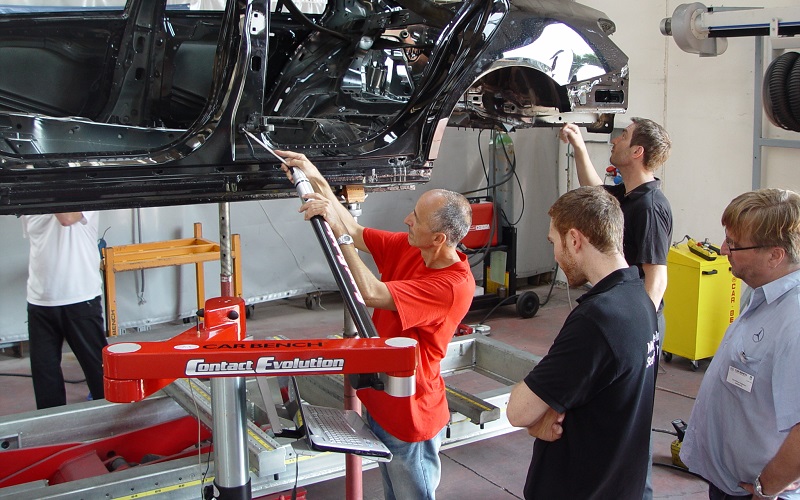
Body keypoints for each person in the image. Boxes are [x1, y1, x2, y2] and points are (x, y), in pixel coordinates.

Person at [277, 150, 475, 500]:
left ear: (439, 239)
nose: (406, 219)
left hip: (410, 418)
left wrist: (340, 239)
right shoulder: (415, 248)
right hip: (384, 405)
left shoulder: (451, 286)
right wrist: (313, 174)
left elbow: (370, 292)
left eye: (416, 218)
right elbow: (353, 229)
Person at [507, 186, 659, 499]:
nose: (555, 255)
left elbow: (518, 411)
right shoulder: (639, 298)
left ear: (575, 240)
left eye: (554, 242)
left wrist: (540, 415)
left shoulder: (598, 319)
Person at [561, 118, 672, 499]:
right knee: (609, 413)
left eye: (623, 136)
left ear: (637, 151)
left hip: (636, 323)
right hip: (623, 320)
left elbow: (657, 278)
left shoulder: (650, 206)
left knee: (629, 418)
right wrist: (579, 146)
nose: (615, 140)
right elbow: (596, 192)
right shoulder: (627, 195)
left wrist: (637, 330)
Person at [680, 189, 800, 500]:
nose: (723, 250)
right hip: (732, 484)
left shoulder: (794, 319)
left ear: (775, 255)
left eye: (734, 244)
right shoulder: (764, 293)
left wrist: (767, 487)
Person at [21, 212, 107, 409]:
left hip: (80, 297)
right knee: (45, 374)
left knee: (98, 371)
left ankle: (111, 417)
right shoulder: (31, 202)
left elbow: (66, 219)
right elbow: (40, 240)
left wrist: (46, 193)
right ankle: (51, 422)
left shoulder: (83, 196)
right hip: (40, 299)